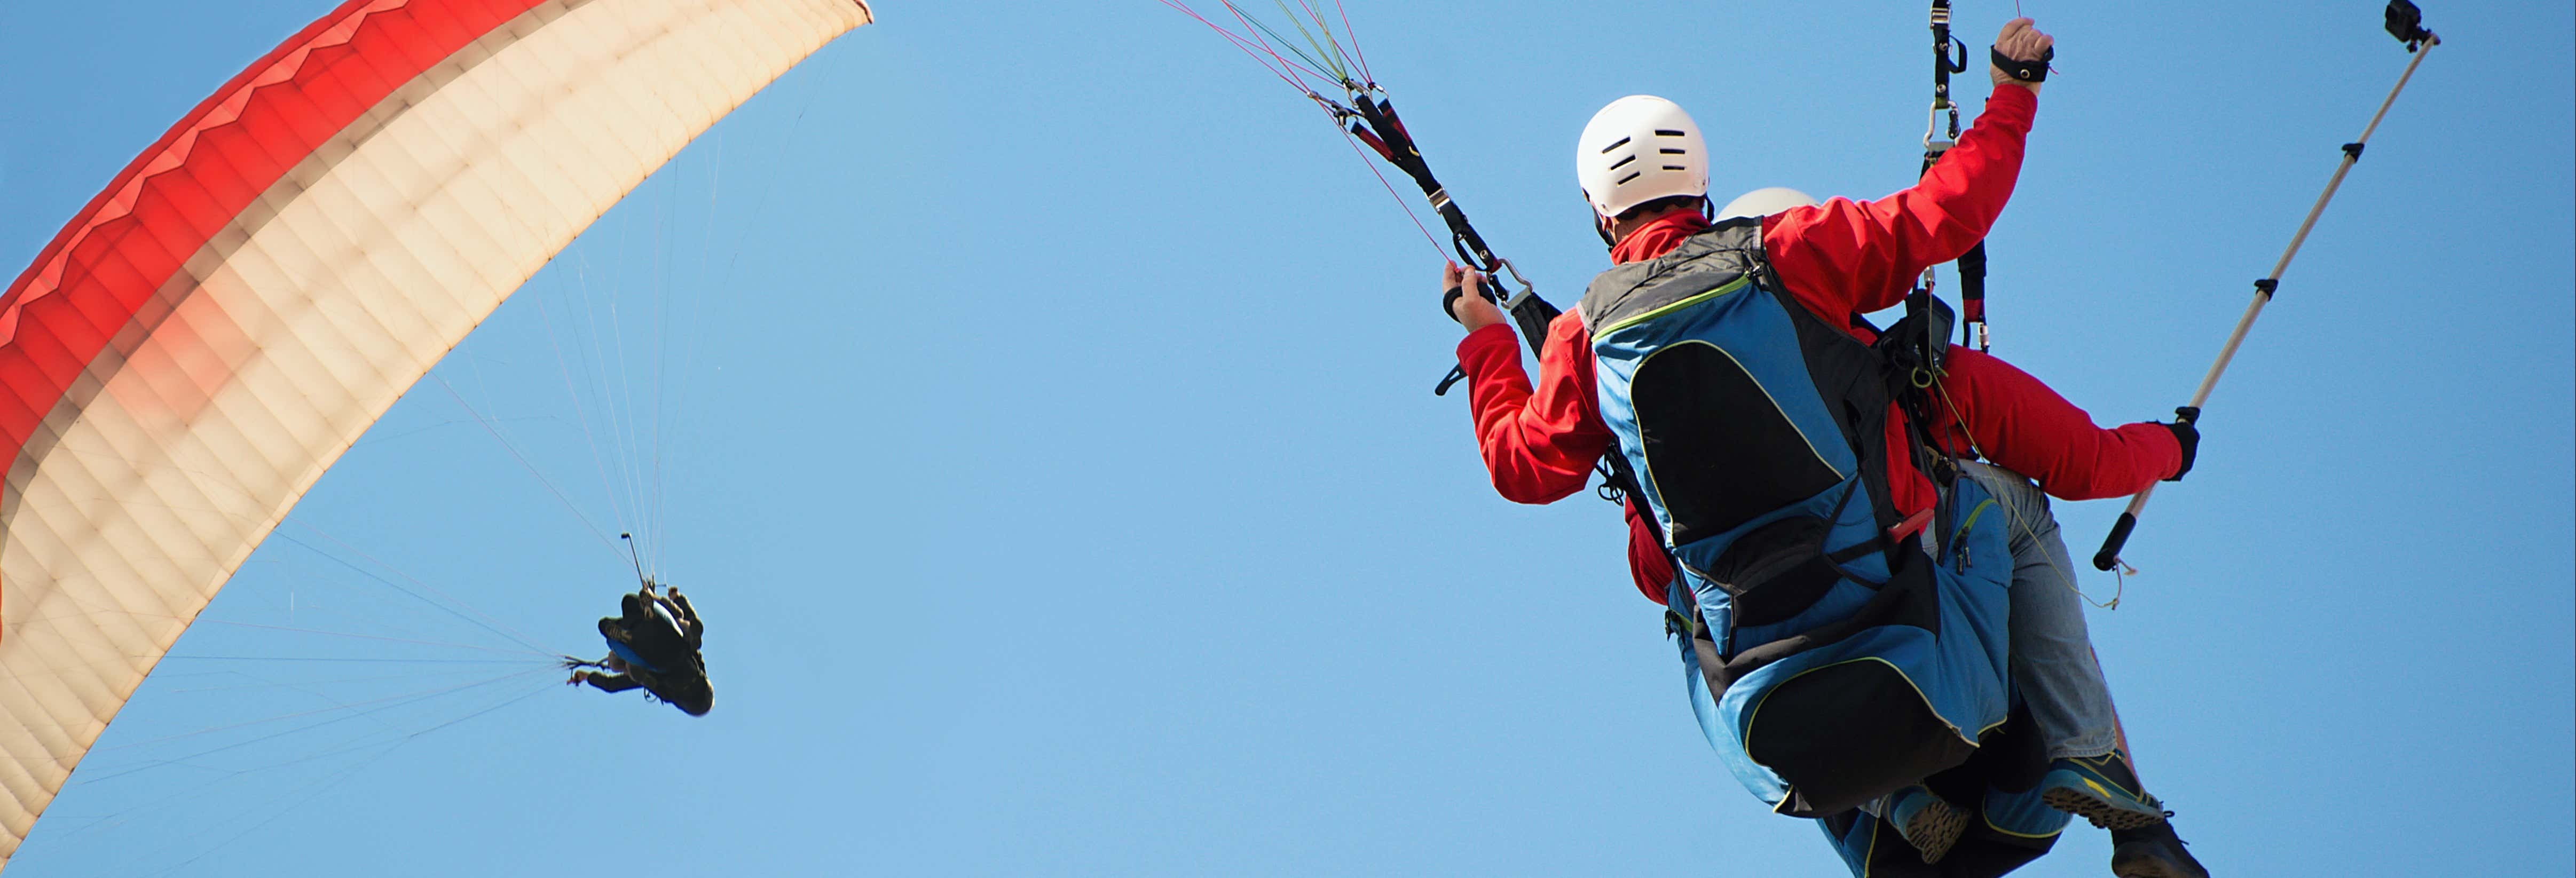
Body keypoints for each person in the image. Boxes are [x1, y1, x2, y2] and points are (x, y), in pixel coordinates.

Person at [1443, 18, 2203, 878]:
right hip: (1960, 704)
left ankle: (1896, 802)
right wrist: (2012, 97)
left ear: (1598, 209)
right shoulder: (1794, 253)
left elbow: (1522, 467)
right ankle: (2089, 756)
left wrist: (1487, 342)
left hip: (1802, 749)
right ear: (1701, 186)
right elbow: (1951, 214)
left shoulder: (1581, 339)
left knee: (1682, 605)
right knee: (2006, 496)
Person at [569, 581, 713, 716]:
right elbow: (611, 686)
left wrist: (677, 598)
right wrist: (588, 677)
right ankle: (630, 638)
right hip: (653, 657)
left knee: (630, 602)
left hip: (671, 640)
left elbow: (692, 619)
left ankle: (650, 613)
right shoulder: (669, 695)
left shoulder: (698, 665)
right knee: (605, 628)